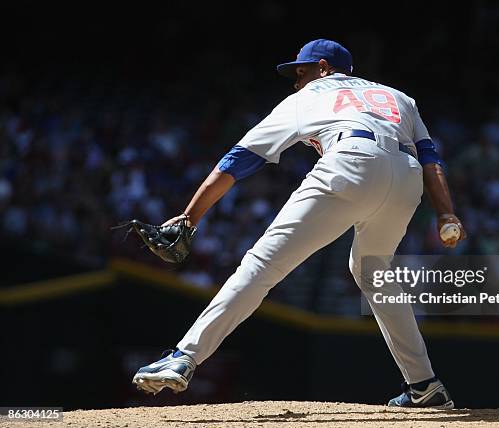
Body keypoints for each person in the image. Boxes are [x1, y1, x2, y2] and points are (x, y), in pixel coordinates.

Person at [132, 39, 466, 409]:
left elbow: (239, 160)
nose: (296, 81)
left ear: (323, 67)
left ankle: (184, 356)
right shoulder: (399, 97)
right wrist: (445, 212)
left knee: (263, 263)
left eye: (301, 71)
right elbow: (430, 158)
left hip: (351, 160)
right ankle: (424, 384)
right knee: (373, 271)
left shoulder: (308, 96)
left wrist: (190, 216)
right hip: (407, 178)